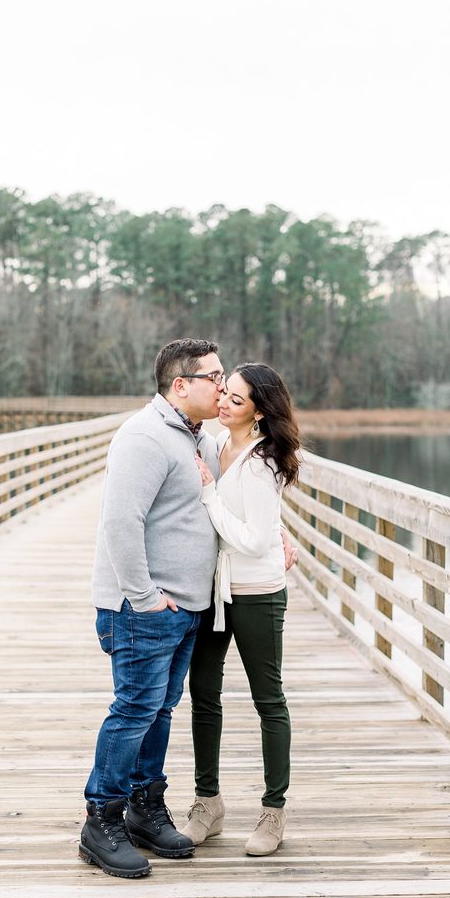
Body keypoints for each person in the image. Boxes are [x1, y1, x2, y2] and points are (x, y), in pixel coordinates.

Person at [79, 338, 226, 879]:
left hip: (185, 606)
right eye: (212, 376)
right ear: (179, 385)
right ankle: (102, 820)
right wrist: (144, 598)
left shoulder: (200, 437)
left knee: (158, 711)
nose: (222, 384)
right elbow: (121, 523)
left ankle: (144, 808)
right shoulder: (144, 437)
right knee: (134, 710)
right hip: (143, 607)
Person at [180, 362, 301, 856]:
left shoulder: (262, 459)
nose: (223, 402)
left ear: (258, 410)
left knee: (267, 699)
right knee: (203, 692)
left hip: (256, 590)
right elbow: (253, 522)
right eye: (223, 393)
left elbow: (253, 539)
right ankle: (208, 803)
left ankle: (273, 814)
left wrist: (210, 494)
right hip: (213, 588)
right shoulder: (211, 444)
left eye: (235, 399)